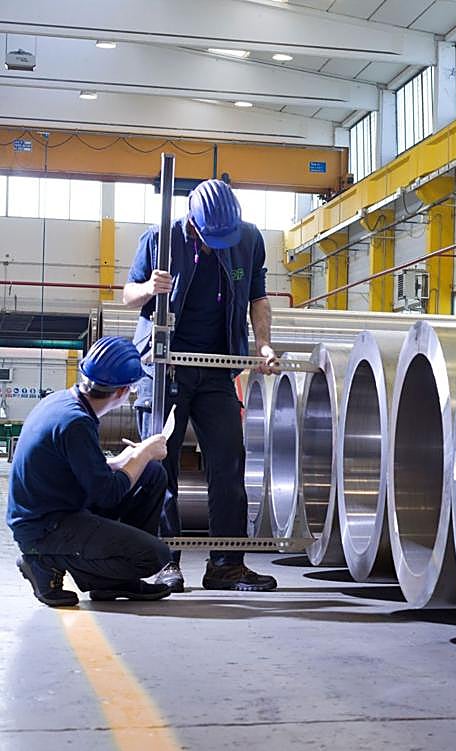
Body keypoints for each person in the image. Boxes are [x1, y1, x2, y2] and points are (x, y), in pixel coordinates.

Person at [125, 178, 278, 593]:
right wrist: (148, 289)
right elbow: (127, 295)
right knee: (160, 464)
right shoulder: (160, 237)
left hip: (217, 367)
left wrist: (263, 344)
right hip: (166, 367)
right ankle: (162, 563)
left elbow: (258, 298)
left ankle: (227, 566)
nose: (217, 246)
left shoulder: (247, 239)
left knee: (229, 462)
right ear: (193, 223)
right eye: (211, 239)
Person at [7, 336, 173, 607]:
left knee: (151, 474)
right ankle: (42, 561)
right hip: (45, 527)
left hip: (54, 511)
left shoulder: (64, 402)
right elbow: (108, 494)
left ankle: (111, 583)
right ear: (122, 391)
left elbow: (72, 467)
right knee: (153, 556)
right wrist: (143, 453)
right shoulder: (76, 422)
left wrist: (122, 461)